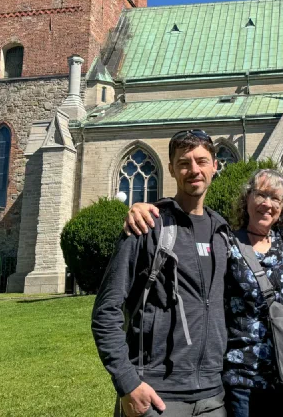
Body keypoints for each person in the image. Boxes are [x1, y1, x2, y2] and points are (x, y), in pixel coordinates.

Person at [124, 169, 283, 417]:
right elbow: (189, 230)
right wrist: (146, 209)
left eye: (275, 198)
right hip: (242, 380)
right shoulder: (225, 240)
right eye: (260, 194)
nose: (267, 203)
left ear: (282, 207)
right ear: (247, 198)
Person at [92, 130, 228, 417]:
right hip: (157, 395)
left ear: (215, 165)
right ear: (171, 169)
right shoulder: (147, 227)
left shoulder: (222, 233)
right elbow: (106, 310)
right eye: (184, 163)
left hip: (213, 396)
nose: (194, 170)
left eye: (202, 161)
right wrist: (128, 383)